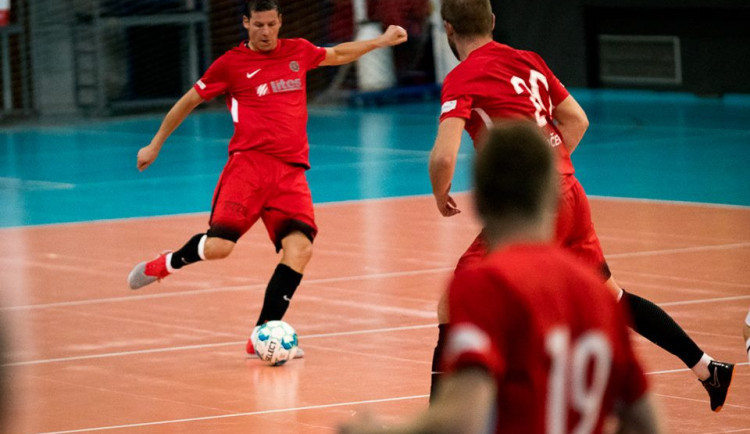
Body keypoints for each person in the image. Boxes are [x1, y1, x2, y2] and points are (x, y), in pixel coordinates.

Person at [427, 0, 733, 412]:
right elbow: (576, 120)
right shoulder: (527, 60)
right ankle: (707, 368)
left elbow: (444, 157)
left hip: (536, 207)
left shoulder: (463, 77)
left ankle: (444, 416)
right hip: (571, 192)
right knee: (611, 296)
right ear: (493, 20)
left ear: (447, 28)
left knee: (455, 303)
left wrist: (441, 193)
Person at [340, 121, 664, 434]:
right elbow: (646, 422)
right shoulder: (597, 295)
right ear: (552, 194)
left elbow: (464, 417)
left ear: (479, 201)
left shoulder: (485, 284)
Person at [127, 0, 407, 358]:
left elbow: (337, 53)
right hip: (249, 168)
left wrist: (380, 41)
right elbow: (188, 101)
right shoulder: (230, 64)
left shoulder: (298, 52)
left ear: (279, 22)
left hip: (290, 172)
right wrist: (154, 144)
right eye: (257, 25)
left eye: (271, 24)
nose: (265, 32)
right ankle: (165, 264)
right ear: (246, 23)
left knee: (300, 248)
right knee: (219, 248)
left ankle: (262, 334)